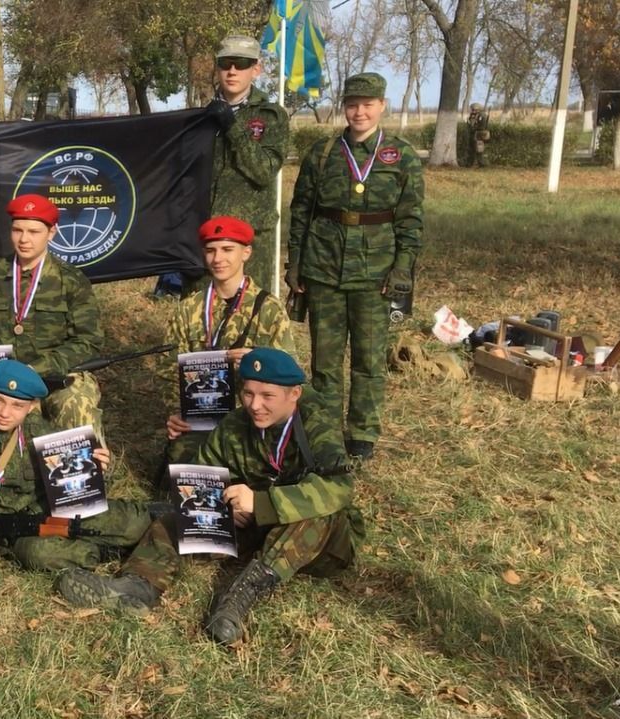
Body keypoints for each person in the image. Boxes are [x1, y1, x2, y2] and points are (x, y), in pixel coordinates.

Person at [56, 348, 364, 646]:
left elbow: (339, 488)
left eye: (267, 396)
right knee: (176, 517)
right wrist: (224, 502)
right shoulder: (235, 426)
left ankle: (238, 601)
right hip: (257, 527)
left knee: (318, 511)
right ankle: (137, 585)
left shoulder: (316, 424)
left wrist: (260, 503)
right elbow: (200, 477)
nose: (255, 405)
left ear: (294, 394)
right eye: (248, 393)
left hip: (321, 546)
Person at [286, 72, 424, 460]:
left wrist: (403, 268)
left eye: (367, 104)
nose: (359, 112)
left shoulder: (401, 155)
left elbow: (410, 219)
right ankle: (326, 431)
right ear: (344, 107)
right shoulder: (323, 153)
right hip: (323, 268)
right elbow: (301, 210)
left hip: (375, 273)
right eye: (352, 105)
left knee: (368, 359)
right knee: (325, 360)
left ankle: (362, 434)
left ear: (382, 106)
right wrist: (295, 263)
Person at [0, 361, 150, 580]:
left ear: (31, 407)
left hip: (53, 511)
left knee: (134, 524)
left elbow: (76, 491)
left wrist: (96, 468)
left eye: (17, 406)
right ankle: (102, 550)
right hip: (16, 531)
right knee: (39, 554)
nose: (5, 413)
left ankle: (149, 523)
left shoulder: (41, 431)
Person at [0, 195, 105, 436]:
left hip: (54, 377)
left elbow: (88, 341)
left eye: (34, 232)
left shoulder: (71, 280)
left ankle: (89, 460)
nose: (24, 239)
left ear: (51, 233)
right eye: (17, 230)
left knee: (77, 405)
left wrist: (37, 368)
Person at [154, 35, 289, 297]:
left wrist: (232, 126)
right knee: (200, 311)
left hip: (249, 240)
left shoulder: (271, 116)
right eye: (226, 63)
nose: (232, 71)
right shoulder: (200, 118)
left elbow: (263, 171)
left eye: (241, 63)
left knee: (249, 312)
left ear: (256, 69)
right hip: (206, 236)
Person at [162, 216, 294, 467]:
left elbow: (289, 372)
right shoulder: (189, 308)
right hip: (203, 416)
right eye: (210, 251)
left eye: (227, 249)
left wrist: (255, 361)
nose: (218, 258)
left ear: (246, 253)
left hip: (254, 416)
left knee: (258, 469)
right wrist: (177, 412)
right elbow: (169, 370)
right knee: (187, 466)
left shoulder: (269, 308)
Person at [468, 103, 490, 168]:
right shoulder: (476, 115)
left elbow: (481, 126)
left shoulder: (481, 115)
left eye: (473, 109)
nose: (472, 111)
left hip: (479, 134)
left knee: (478, 149)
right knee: (476, 148)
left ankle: (479, 163)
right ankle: (477, 163)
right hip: (477, 134)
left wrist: (474, 126)